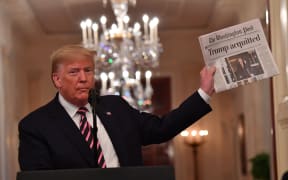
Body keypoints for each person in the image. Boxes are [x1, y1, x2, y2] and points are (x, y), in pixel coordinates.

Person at [18, 44, 216, 170]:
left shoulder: (115, 106)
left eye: (88, 70)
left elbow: (161, 128)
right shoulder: (35, 126)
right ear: (57, 79)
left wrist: (204, 93)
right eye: (74, 72)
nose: (83, 78)